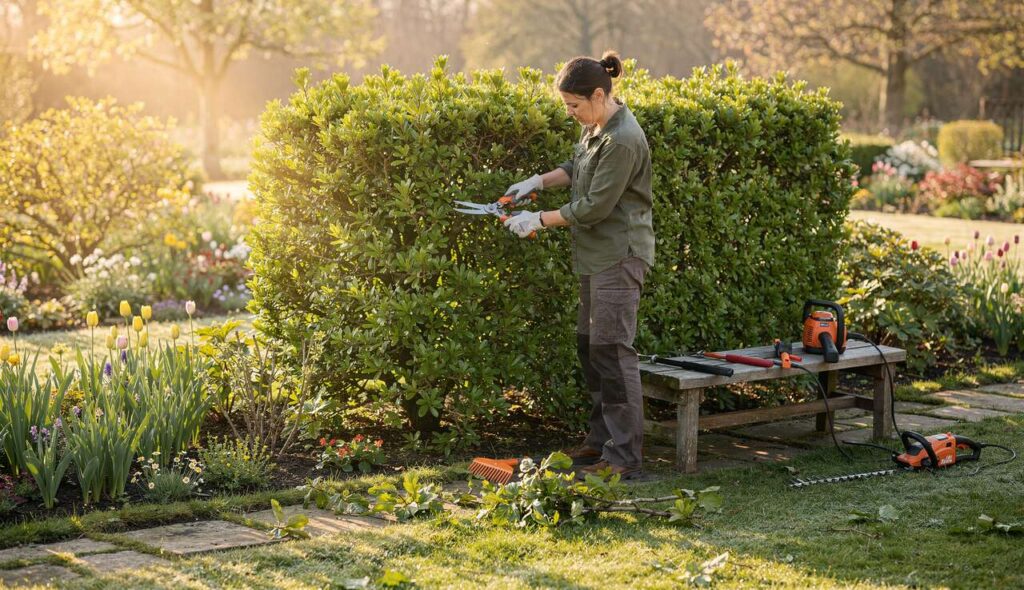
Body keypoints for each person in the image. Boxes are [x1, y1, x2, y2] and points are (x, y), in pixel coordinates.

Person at [503, 50, 655, 479]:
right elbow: (576, 169)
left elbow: (594, 207)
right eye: (566, 105)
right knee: (590, 348)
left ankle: (625, 459)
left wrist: (539, 219)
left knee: (613, 352)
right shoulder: (597, 127)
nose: (570, 113)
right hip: (594, 257)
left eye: (574, 105)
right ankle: (600, 441)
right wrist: (537, 182)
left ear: (599, 94)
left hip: (619, 256)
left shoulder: (623, 139)